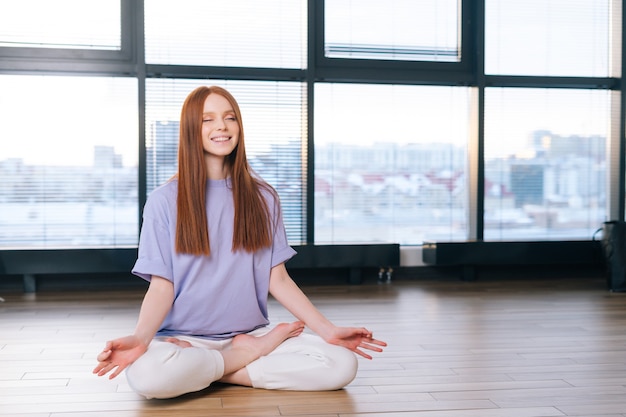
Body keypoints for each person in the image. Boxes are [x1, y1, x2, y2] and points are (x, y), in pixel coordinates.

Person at [93, 86, 386, 399]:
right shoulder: (163, 202)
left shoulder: (264, 198)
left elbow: (278, 279)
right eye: (208, 120)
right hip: (183, 339)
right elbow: (161, 286)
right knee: (148, 378)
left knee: (340, 365)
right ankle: (244, 358)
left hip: (250, 332)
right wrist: (141, 338)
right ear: (192, 130)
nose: (222, 126)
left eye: (229, 117)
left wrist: (328, 330)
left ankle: (214, 370)